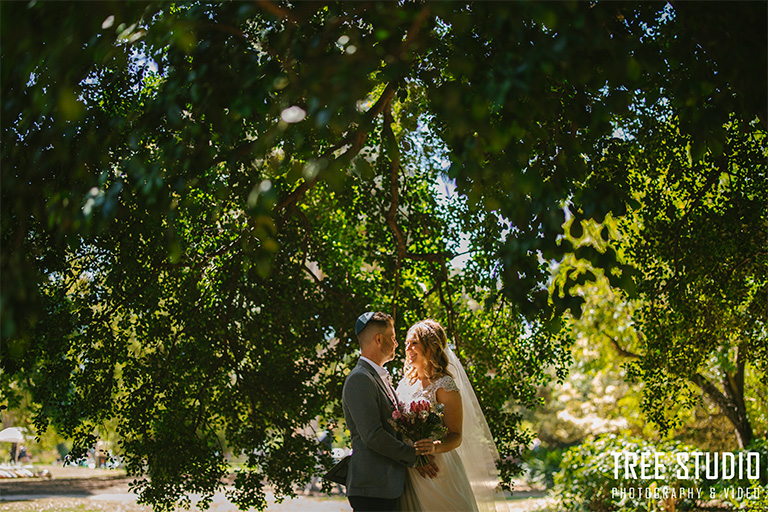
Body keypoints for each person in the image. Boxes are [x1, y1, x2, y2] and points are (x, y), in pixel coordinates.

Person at [396, 319, 509, 512]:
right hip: (408, 469)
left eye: (414, 342)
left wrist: (433, 448)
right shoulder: (405, 384)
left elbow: (456, 435)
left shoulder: (444, 386)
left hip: (437, 469)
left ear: (430, 346)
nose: (408, 348)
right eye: (406, 343)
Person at [342, 311, 438, 512]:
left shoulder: (378, 377)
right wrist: (414, 456)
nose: (396, 344)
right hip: (373, 488)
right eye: (393, 338)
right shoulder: (360, 378)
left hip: (387, 486)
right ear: (379, 339)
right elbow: (372, 435)